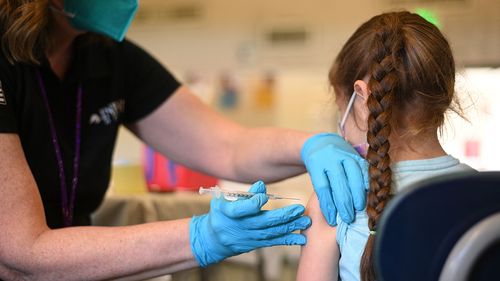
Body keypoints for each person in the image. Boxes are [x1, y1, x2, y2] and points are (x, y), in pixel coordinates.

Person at [0, 0, 368, 280]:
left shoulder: (109, 59)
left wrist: (311, 145)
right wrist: (202, 236)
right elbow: (23, 253)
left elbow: (229, 146)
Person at [296, 11, 476, 281]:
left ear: (362, 96)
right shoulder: (486, 194)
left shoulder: (333, 203)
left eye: (340, 106)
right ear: (446, 93)